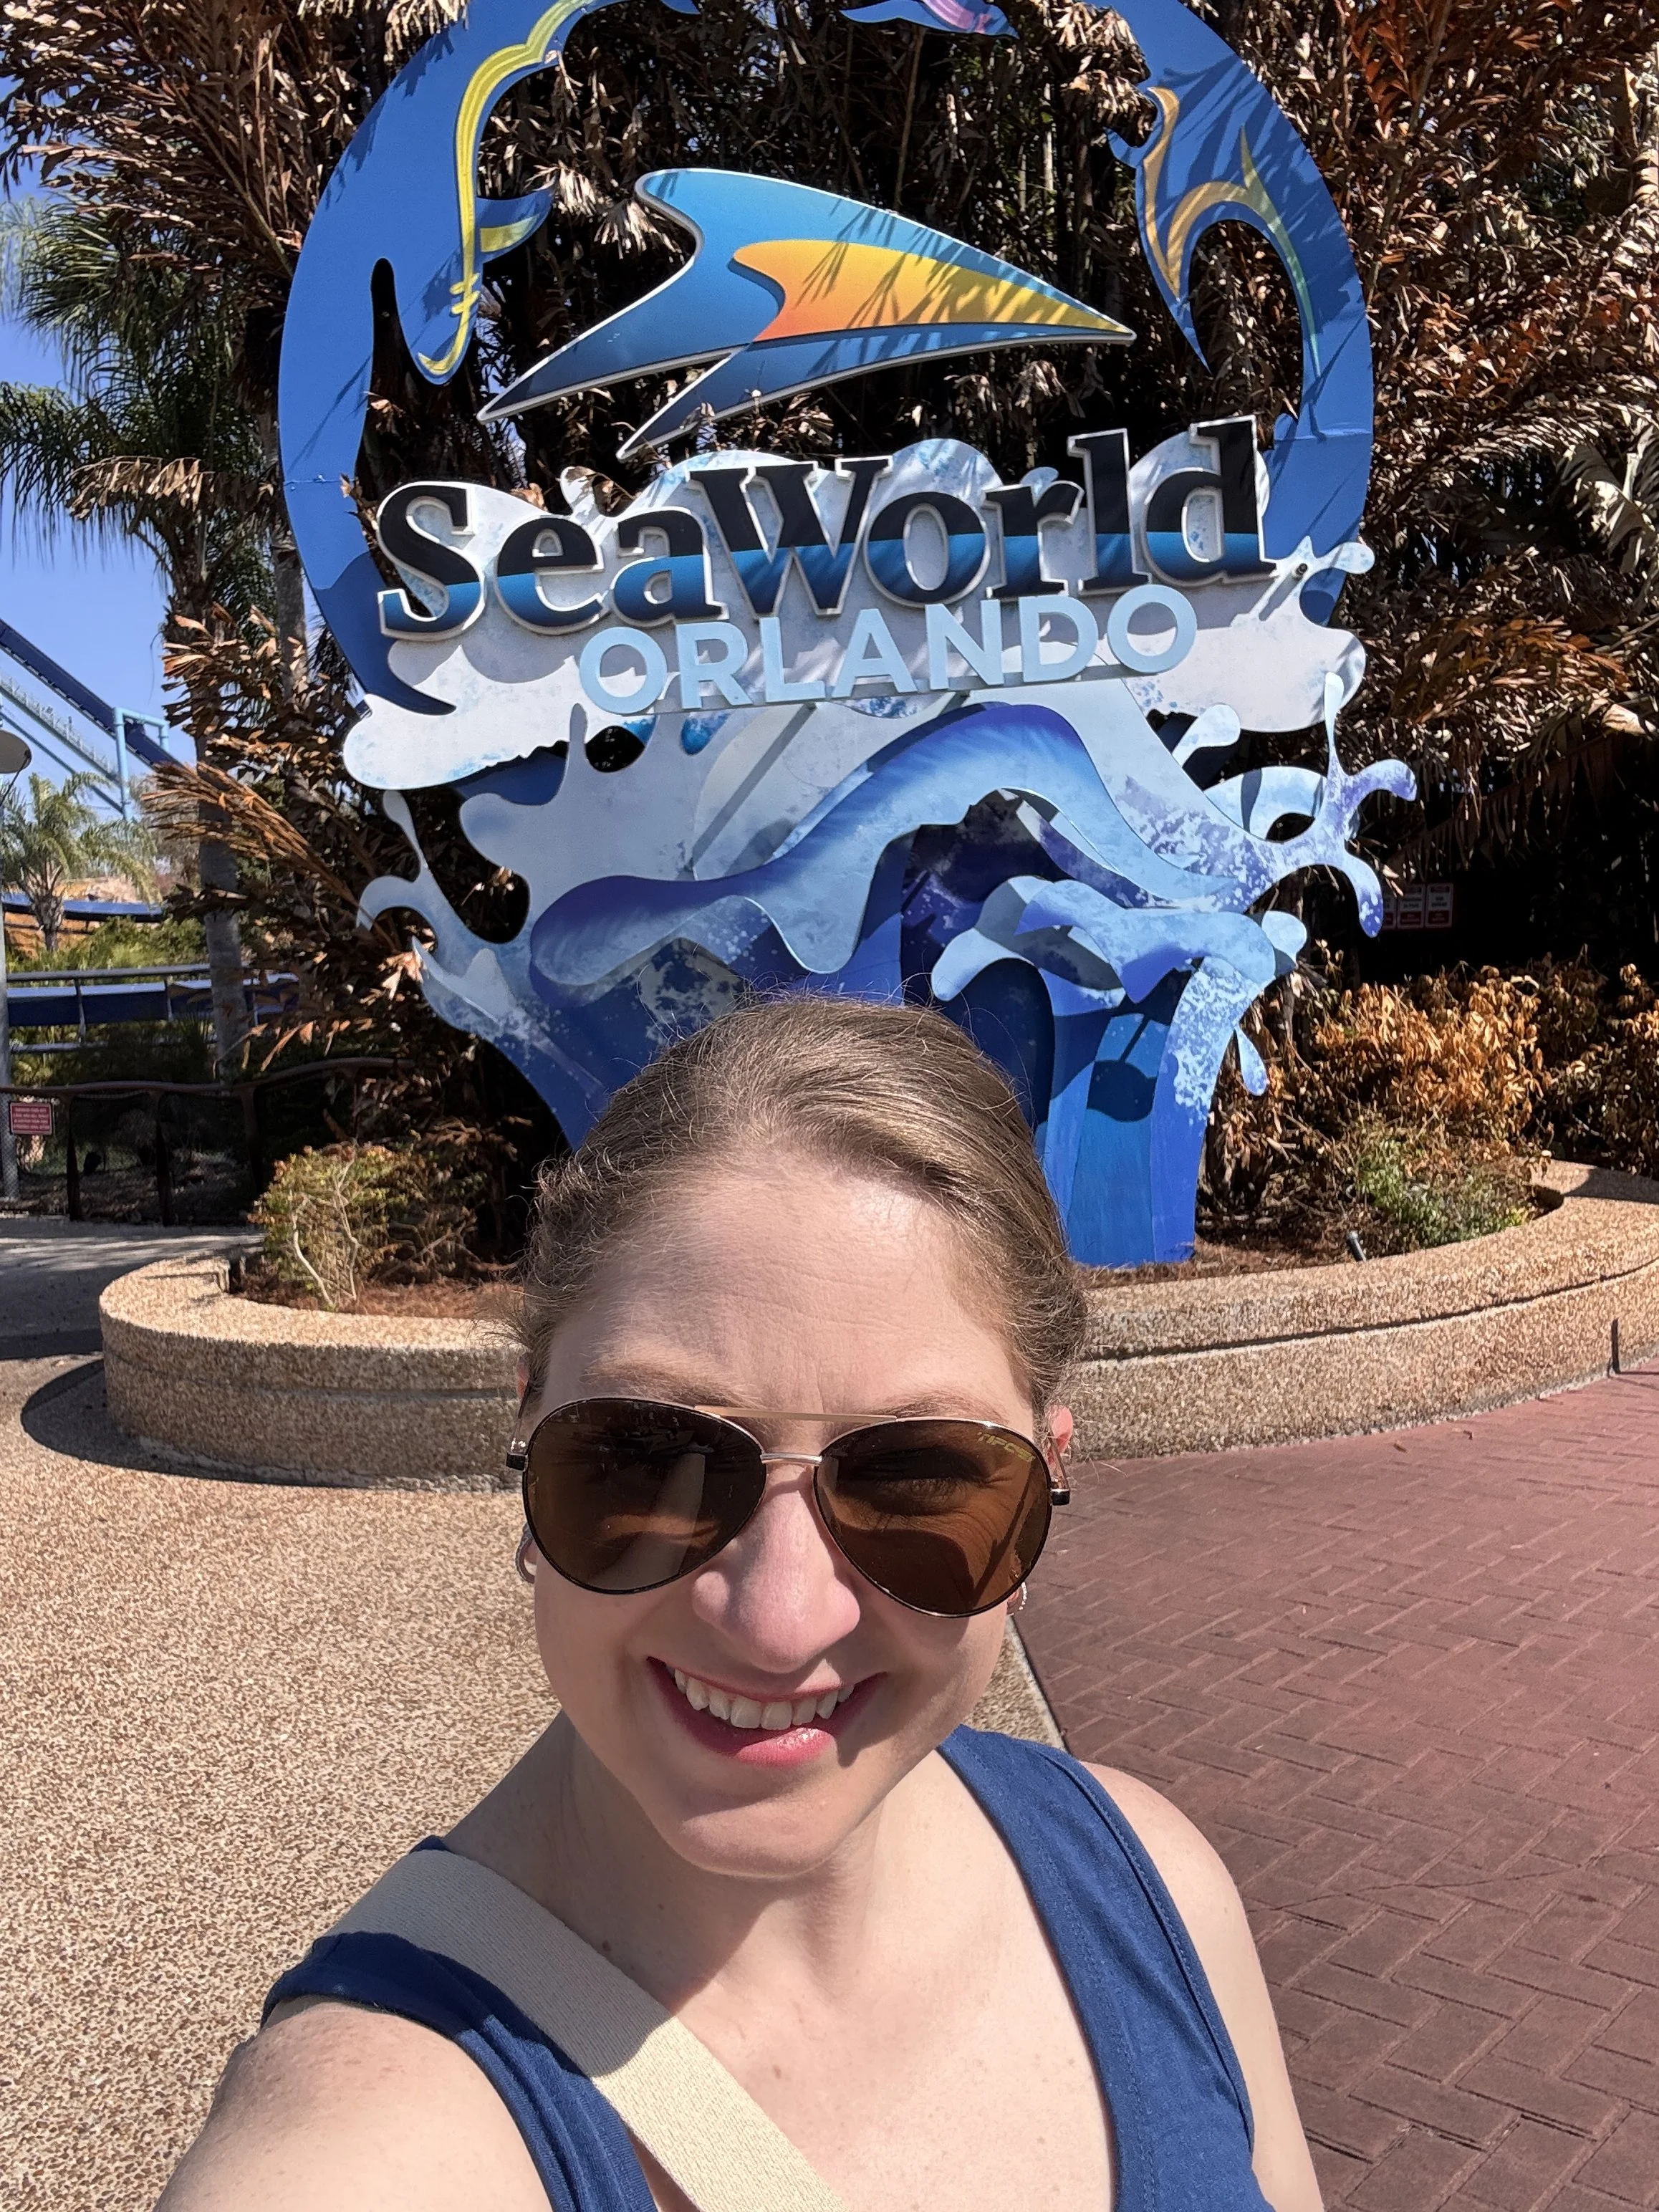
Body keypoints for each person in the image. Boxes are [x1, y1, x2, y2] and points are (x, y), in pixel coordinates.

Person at [159, 996, 1322, 2211]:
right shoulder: (365, 2150)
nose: (779, 1618)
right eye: (643, 1460)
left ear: (1048, 1477)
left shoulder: (1155, 1885)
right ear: (525, 1436)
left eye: (920, 1479)